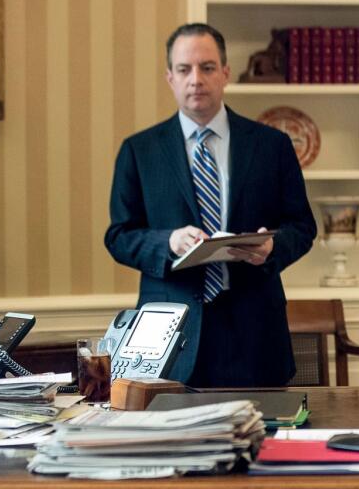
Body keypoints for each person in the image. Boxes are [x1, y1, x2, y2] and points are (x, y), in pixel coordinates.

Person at [105, 23, 316, 387]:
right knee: (172, 444)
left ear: (225, 73)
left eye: (207, 67)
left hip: (255, 332)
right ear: (170, 78)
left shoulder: (271, 145)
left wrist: (271, 248)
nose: (196, 79)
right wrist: (168, 242)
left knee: (261, 441)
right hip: (171, 335)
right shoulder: (140, 150)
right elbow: (119, 236)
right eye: (184, 70)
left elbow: (302, 226)